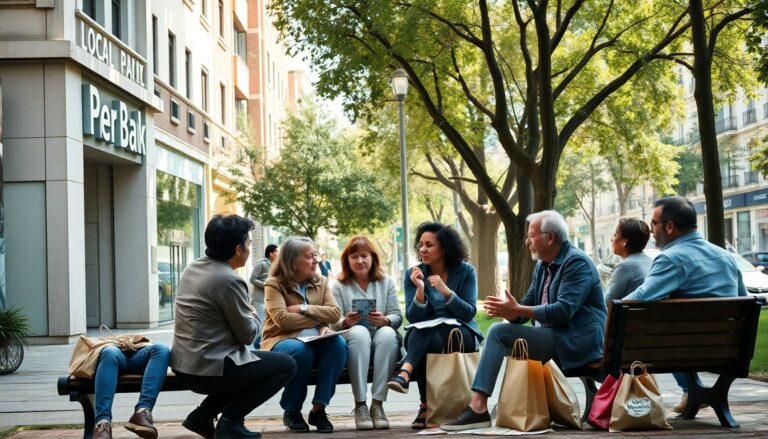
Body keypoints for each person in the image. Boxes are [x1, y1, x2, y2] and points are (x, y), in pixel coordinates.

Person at [441, 210, 607, 431]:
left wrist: (518, 309)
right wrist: (509, 312)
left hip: (576, 342)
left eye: (531, 235)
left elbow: (563, 311)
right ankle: (490, 405)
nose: (527, 242)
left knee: (499, 333)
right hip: (558, 338)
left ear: (550, 238)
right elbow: (528, 305)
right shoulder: (542, 265)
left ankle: (478, 407)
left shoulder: (576, 263)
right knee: (502, 328)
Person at [171, 215, 297, 439]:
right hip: (208, 369)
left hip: (184, 364)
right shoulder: (229, 280)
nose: (250, 248)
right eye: (249, 243)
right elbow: (248, 334)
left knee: (253, 363)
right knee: (285, 365)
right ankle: (230, 422)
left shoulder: (193, 267)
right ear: (238, 249)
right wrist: (254, 312)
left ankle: (203, 415)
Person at [623, 196, 747, 413]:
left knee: (638, 329)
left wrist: (614, 306)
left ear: (669, 226)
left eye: (653, 224)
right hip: (729, 350)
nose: (651, 231)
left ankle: (622, 402)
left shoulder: (670, 259)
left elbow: (637, 299)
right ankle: (692, 392)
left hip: (681, 350)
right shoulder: (726, 257)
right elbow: (745, 301)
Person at [386, 222, 483, 430]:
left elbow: (469, 311)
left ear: (445, 248)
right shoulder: (414, 274)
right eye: (420, 244)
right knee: (422, 333)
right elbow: (412, 317)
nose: (422, 249)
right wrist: (420, 289)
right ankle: (423, 402)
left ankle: (407, 375)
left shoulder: (466, 271)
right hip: (429, 333)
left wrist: (446, 291)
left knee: (422, 337)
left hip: (460, 331)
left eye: (429, 245)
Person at [261, 237, 347, 434]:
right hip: (280, 339)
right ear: (292, 261)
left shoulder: (321, 281)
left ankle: (319, 410)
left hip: (316, 339)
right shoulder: (274, 284)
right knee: (300, 351)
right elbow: (282, 320)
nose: (316, 260)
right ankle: (292, 410)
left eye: (315, 255)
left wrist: (303, 308)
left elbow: (334, 313)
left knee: (338, 344)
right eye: (310, 256)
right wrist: (319, 318)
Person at [331, 236, 402, 430]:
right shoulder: (338, 285)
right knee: (360, 332)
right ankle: (360, 404)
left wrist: (385, 320)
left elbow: (397, 315)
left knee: (388, 333)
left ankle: (377, 404)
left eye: (364, 256)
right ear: (347, 260)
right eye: (354, 256)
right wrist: (345, 321)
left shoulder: (385, 281)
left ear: (372, 258)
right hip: (352, 337)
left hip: (379, 336)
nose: (360, 261)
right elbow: (331, 322)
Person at [91, 341, 170, 439]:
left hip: (139, 351)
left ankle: (142, 413)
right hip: (110, 352)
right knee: (109, 351)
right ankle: (102, 424)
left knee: (162, 349)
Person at [605, 218, 653, 302]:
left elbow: (607, 303)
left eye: (615, 235)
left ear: (625, 241)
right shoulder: (652, 262)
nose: (612, 239)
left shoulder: (624, 267)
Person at [249, 244, 278, 348]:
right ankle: (255, 346)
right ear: (271, 253)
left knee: (267, 323)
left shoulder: (274, 265)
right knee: (260, 322)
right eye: (276, 251)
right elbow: (252, 279)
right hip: (259, 299)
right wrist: (266, 284)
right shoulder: (261, 264)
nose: (278, 254)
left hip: (268, 299)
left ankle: (261, 345)